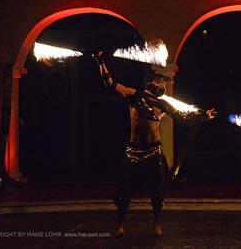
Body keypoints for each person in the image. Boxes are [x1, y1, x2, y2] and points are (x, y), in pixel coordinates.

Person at [93, 51, 216, 238]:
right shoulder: (133, 96)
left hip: (154, 150)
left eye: (165, 82)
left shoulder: (163, 105)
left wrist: (205, 116)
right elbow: (109, 83)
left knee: (158, 191)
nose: (163, 84)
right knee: (123, 189)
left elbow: (185, 118)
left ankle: (156, 224)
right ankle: (120, 225)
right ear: (151, 81)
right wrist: (101, 62)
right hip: (133, 150)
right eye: (161, 81)